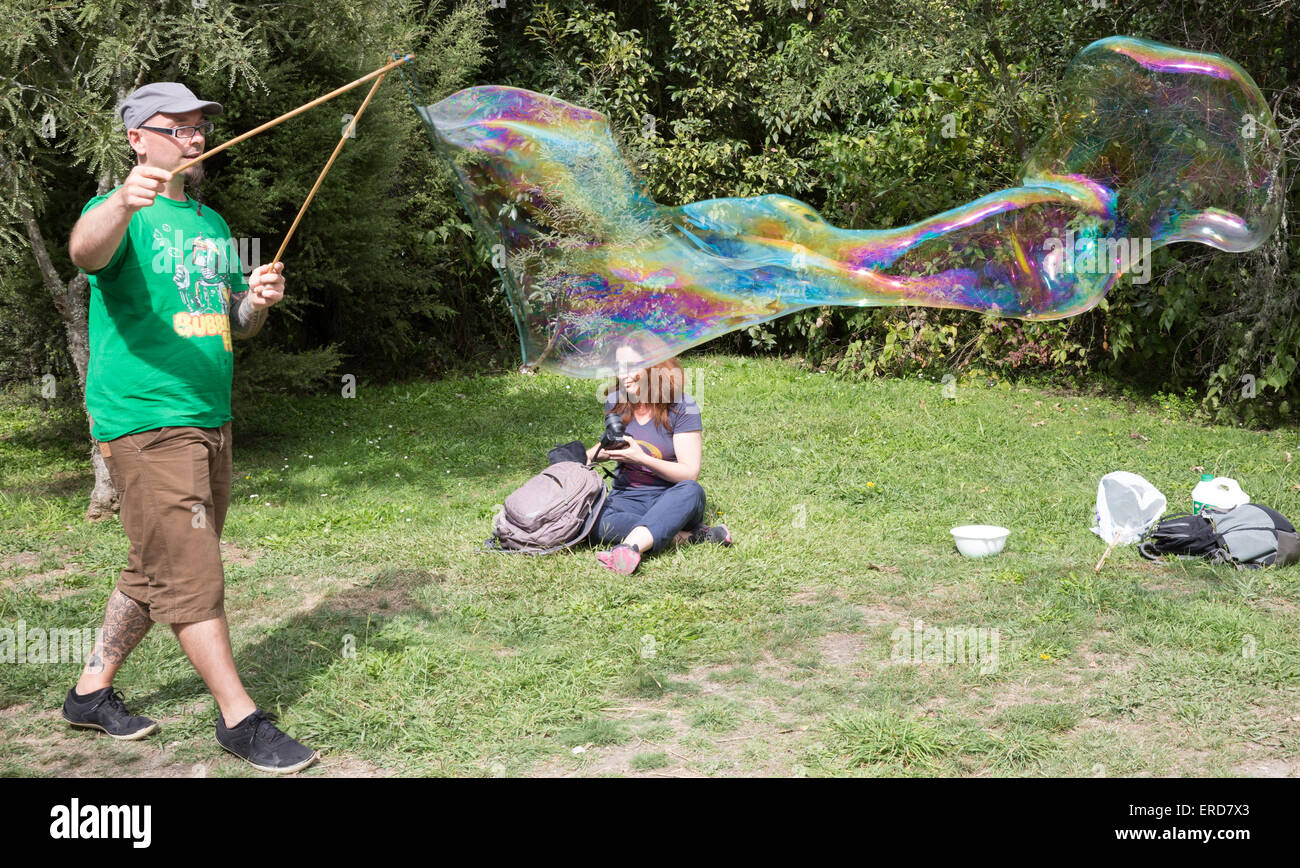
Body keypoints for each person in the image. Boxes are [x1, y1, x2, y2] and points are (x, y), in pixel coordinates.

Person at [62, 82, 317, 773]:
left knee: (158, 565)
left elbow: (233, 323)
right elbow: (83, 254)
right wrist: (120, 199)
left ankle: (89, 692)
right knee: (194, 571)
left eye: (200, 126)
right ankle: (241, 720)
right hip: (148, 420)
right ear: (137, 139)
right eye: (176, 127)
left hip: (210, 417)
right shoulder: (120, 213)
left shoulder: (208, 224)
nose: (195, 138)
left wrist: (258, 301)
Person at [586, 345, 732, 575]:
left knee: (691, 490)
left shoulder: (682, 407)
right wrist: (595, 453)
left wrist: (641, 458)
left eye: (632, 366)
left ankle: (628, 547)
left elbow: (689, 473)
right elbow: (612, 443)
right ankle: (692, 537)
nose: (623, 375)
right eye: (619, 367)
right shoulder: (617, 402)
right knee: (593, 523)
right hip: (628, 496)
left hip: (672, 497)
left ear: (654, 367)